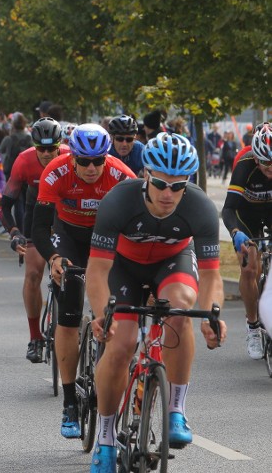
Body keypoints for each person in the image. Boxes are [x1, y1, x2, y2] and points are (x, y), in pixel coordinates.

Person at [86, 133, 227, 472]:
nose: (168, 194)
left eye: (178, 186)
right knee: (121, 344)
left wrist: (210, 316)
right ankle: (104, 439)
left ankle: (176, 410)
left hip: (172, 263)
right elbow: (98, 269)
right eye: (161, 184)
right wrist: (102, 313)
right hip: (123, 267)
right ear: (146, 174)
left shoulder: (200, 208)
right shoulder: (119, 201)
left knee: (180, 310)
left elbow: (210, 277)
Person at [32, 123, 134, 439]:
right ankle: (69, 403)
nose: (91, 168)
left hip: (106, 238)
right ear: (72, 156)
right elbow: (39, 228)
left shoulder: (122, 176)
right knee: (70, 314)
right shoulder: (55, 172)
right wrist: (53, 259)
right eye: (84, 161)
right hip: (69, 236)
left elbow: (136, 228)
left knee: (117, 305)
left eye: (98, 161)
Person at [0, 117, 68, 363]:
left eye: (53, 148)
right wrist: (15, 231)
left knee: (71, 272)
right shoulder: (24, 161)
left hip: (63, 214)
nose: (48, 154)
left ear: (61, 145)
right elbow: (4, 206)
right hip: (34, 212)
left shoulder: (72, 157)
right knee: (33, 273)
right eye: (42, 148)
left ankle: (69, 324)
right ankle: (35, 337)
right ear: (35, 146)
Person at [221, 123, 272, 360]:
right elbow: (228, 208)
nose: (270, 169)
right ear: (256, 158)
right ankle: (253, 327)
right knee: (250, 266)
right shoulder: (244, 166)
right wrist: (234, 232)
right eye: (266, 163)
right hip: (246, 214)